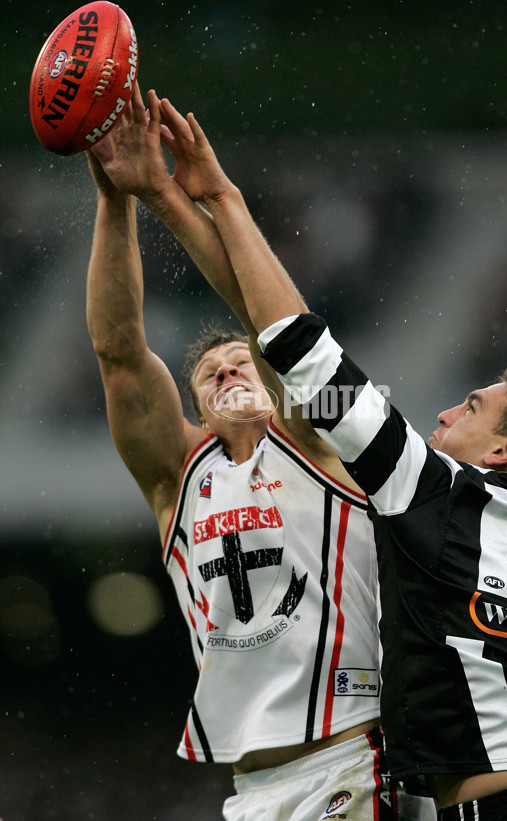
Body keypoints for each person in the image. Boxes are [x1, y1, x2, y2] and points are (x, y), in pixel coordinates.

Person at [154, 93, 507, 820]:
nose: (446, 412)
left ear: (503, 449)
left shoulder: (423, 483)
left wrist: (214, 197)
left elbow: (296, 350)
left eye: (472, 408)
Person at [85, 84, 436, 821]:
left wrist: (175, 200)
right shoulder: (179, 477)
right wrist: (115, 203)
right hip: (250, 793)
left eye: (242, 362)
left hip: (353, 761)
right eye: (210, 374)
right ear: (197, 407)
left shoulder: (316, 434)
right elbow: (118, 352)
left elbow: (280, 330)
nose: (229, 371)